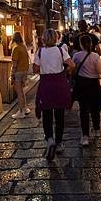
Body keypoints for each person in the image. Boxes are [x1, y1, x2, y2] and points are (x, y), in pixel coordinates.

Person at [33, 29, 75, 160]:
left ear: (44, 39)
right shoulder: (60, 50)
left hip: (46, 85)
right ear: (56, 38)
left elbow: (35, 69)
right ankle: (59, 143)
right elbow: (72, 64)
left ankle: (50, 139)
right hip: (59, 84)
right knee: (59, 115)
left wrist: (44, 66)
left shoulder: (40, 51)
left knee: (46, 114)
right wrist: (66, 71)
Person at [72, 34, 101, 146]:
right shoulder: (95, 56)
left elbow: (72, 70)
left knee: (83, 110)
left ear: (81, 44)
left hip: (82, 85)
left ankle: (85, 136)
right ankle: (97, 130)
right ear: (91, 44)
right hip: (94, 85)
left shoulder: (76, 56)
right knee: (95, 108)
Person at [10, 32, 31, 120]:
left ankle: (21, 111)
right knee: (22, 91)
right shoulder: (24, 47)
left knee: (19, 92)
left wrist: (12, 75)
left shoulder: (16, 48)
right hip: (25, 71)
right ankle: (25, 108)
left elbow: (14, 64)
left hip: (18, 72)